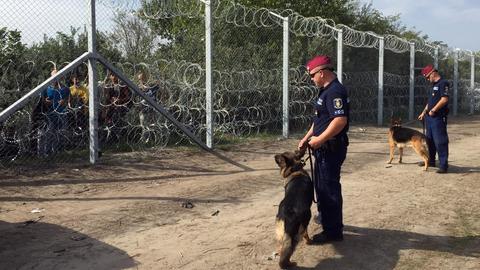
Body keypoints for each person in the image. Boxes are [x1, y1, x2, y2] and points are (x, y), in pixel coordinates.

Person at [298, 55, 349, 244]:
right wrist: (306, 138)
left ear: (321, 73)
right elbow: (320, 120)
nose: (311, 79)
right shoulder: (325, 91)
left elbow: (339, 120)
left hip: (331, 148)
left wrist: (320, 139)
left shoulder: (335, 91)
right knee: (321, 187)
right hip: (323, 147)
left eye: (312, 75)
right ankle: (327, 218)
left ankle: (333, 232)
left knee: (329, 189)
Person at [418, 64, 449, 173]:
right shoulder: (433, 85)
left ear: (433, 73)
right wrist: (424, 112)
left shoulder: (443, 83)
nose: (427, 79)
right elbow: (430, 101)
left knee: (440, 141)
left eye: (427, 77)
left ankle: (443, 165)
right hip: (429, 118)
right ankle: (431, 160)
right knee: (429, 140)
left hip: (438, 118)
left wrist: (434, 110)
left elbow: (444, 99)